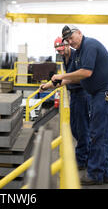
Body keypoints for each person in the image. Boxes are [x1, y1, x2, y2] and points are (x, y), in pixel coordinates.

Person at [50, 25, 108, 185]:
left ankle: (95, 174)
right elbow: (74, 77)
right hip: (98, 93)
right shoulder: (79, 54)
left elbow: (85, 73)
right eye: (67, 40)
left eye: (71, 38)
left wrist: (62, 75)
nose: (70, 42)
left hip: (107, 92)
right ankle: (105, 173)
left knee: (97, 134)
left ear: (79, 33)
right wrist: (50, 85)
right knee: (100, 134)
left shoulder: (89, 45)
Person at [39, 37, 91, 171]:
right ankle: (85, 154)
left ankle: (82, 160)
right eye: (58, 51)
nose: (60, 53)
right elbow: (65, 79)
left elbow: (74, 78)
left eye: (62, 50)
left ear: (68, 46)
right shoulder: (65, 58)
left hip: (82, 94)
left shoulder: (76, 57)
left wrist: (56, 82)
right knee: (74, 128)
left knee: (82, 129)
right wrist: (47, 86)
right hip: (74, 95)